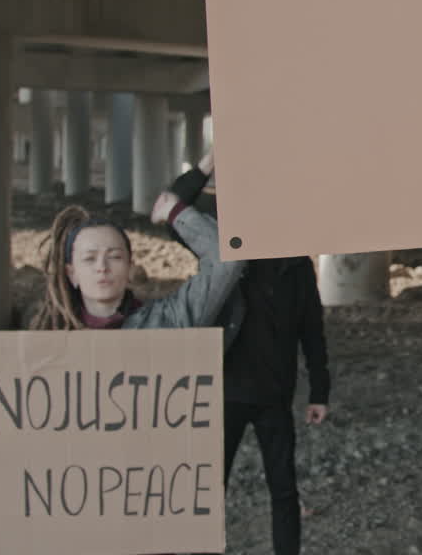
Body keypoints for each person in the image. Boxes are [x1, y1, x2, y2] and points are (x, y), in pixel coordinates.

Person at [0, 169, 245, 467]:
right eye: (89, 258)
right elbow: (26, 433)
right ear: (72, 273)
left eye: (114, 257)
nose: (102, 267)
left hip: (146, 488)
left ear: (130, 267)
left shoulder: (169, 321)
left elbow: (228, 260)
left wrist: (177, 213)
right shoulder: (44, 344)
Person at [166, 155, 330, 555]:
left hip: (274, 396)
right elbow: (172, 206)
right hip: (226, 394)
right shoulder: (222, 257)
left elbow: (312, 331)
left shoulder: (297, 266)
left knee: (283, 490)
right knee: (209, 488)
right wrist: (209, 163)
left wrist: (319, 391)